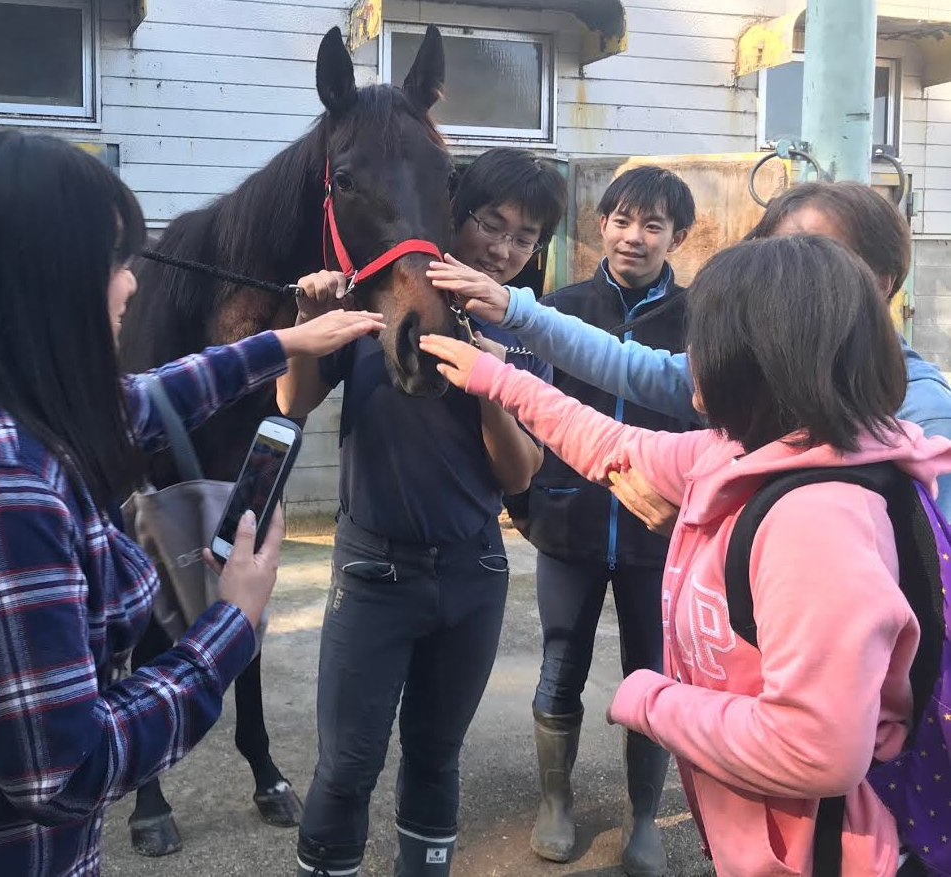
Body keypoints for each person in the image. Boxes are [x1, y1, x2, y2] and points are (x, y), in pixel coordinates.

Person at [0, 131, 384, 877]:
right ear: (48, 282)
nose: (131, 284)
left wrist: (287, 338)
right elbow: (65, 772)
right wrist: (231, 622)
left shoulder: (2, 409)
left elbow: (151, 397)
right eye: (114, 262)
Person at [421, 233, 948, 877]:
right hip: (764, 839)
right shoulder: (745, 452)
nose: (687, 356)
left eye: (705, 337)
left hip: (826, 854)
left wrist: (652, 700)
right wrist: (496, 379)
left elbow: (817, 750)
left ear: (760, 355)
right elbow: (610, 443)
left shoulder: (817, 520)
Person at [277, 147, 563, 876]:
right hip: (373, 570)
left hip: (474, 571)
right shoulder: (384, 304)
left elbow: (521, 474)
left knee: (437, 755)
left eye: (523, 237)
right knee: (347, 763)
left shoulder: (528, 335)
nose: (501, 248)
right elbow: (294, 401)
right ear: (451, 217)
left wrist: (491, 384)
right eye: (489, 224)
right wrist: (311, 322)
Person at [432, 181, 951, 529]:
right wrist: (512, 329)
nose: (786, 274)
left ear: (879, 283)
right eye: (774, 253)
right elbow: (616, 424)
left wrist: (708, 526)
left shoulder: (921, 419)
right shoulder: (758, 379)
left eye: (817, 254)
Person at [480, 166, 698, 874]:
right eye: (622, 219)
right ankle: (556, 801)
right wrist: (532, 509)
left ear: (679, 237)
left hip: (658, 537)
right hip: (570, 530)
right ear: (602, 223)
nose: (634, 237)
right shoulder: (558, 308)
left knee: (652, 676)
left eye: (653, 224)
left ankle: (643, 820)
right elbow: (519, 406)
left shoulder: (700, 321)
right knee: (560, 665)